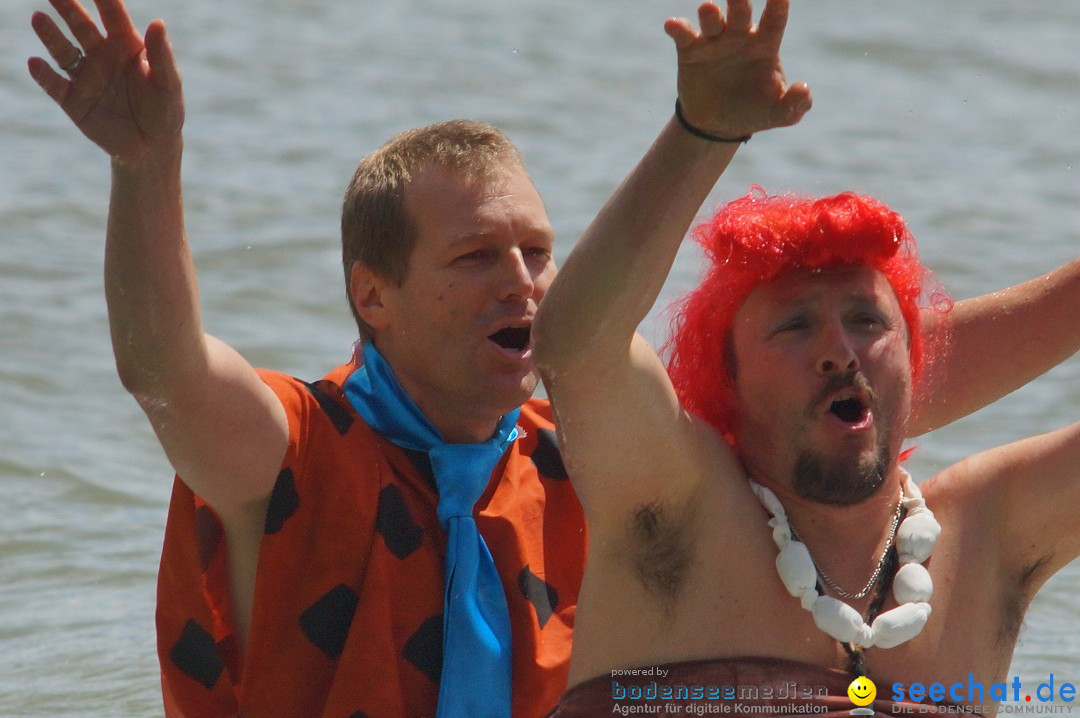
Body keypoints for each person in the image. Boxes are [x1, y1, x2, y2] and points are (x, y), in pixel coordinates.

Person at [26, 0, 1078, 716]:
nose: (522, 283)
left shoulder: (577, 460)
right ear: (371, 294)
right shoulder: (295, 444)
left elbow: (837, 394)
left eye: (536, 253)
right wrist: (146, 165)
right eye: (478, 257)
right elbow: (163, 368)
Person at [533, 0, 1080, 716]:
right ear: (724, 377)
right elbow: (576, 346)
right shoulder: (676, 502)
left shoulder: (989, 532)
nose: (838, 351)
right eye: (793, 327)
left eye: (865, 321)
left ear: (917, 362)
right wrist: (702, 135)